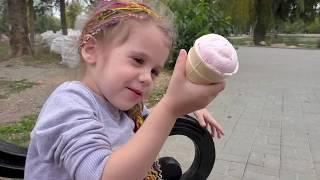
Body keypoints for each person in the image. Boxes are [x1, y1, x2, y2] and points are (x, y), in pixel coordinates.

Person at [24, 0, 225, 180]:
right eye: (138, 60)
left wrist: (182, 106)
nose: (147, 77)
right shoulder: (68, 104)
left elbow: (150, 120)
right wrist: (170, 107)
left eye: (154, 71)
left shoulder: (125, 106)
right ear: (91, 50)